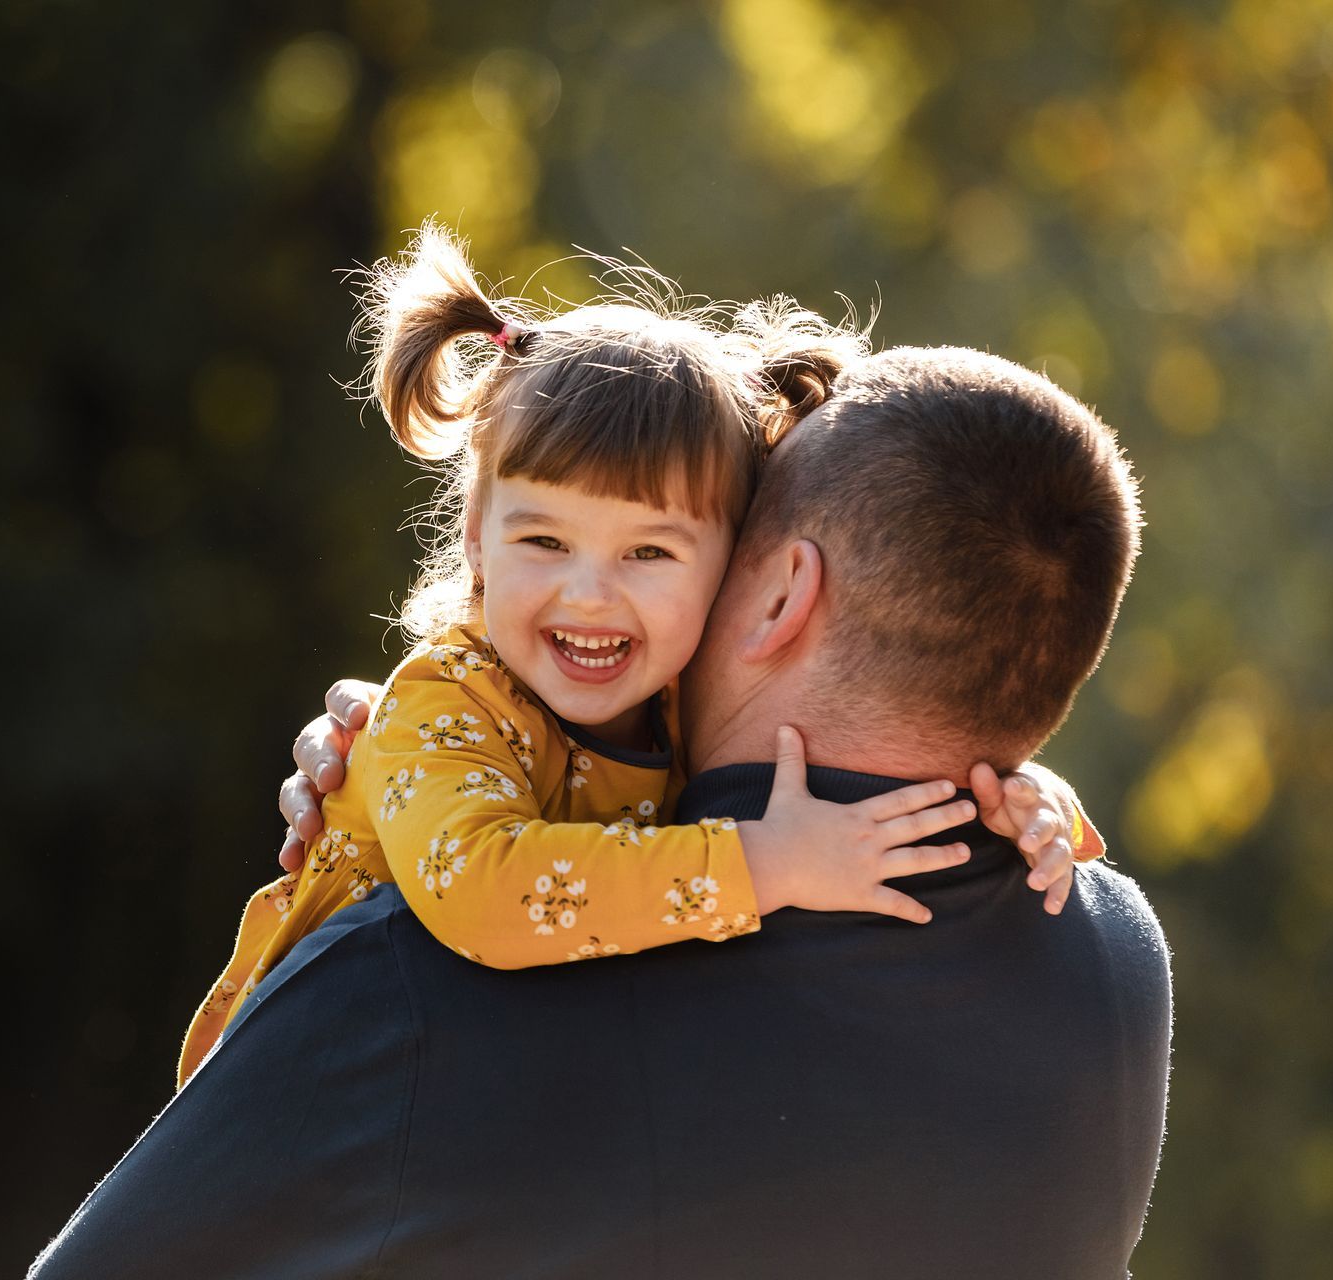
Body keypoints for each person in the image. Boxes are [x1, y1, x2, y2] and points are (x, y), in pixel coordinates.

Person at [27, 345, 1168, 1278]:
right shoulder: (1113, 960)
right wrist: (455, 745)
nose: (600, 595)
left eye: (690, 547)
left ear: (778, 594)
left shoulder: (422, 988)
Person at [179, 225, 1102, 1085]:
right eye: (543, 542)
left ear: (735, 565)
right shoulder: (440, 707)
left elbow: (896, 715)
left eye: (650, 553)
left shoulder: (666, 710)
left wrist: (1018, 796)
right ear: (474, 535)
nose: (589, 594)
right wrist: (762, 865)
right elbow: (488, 895)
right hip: (299, 1100)